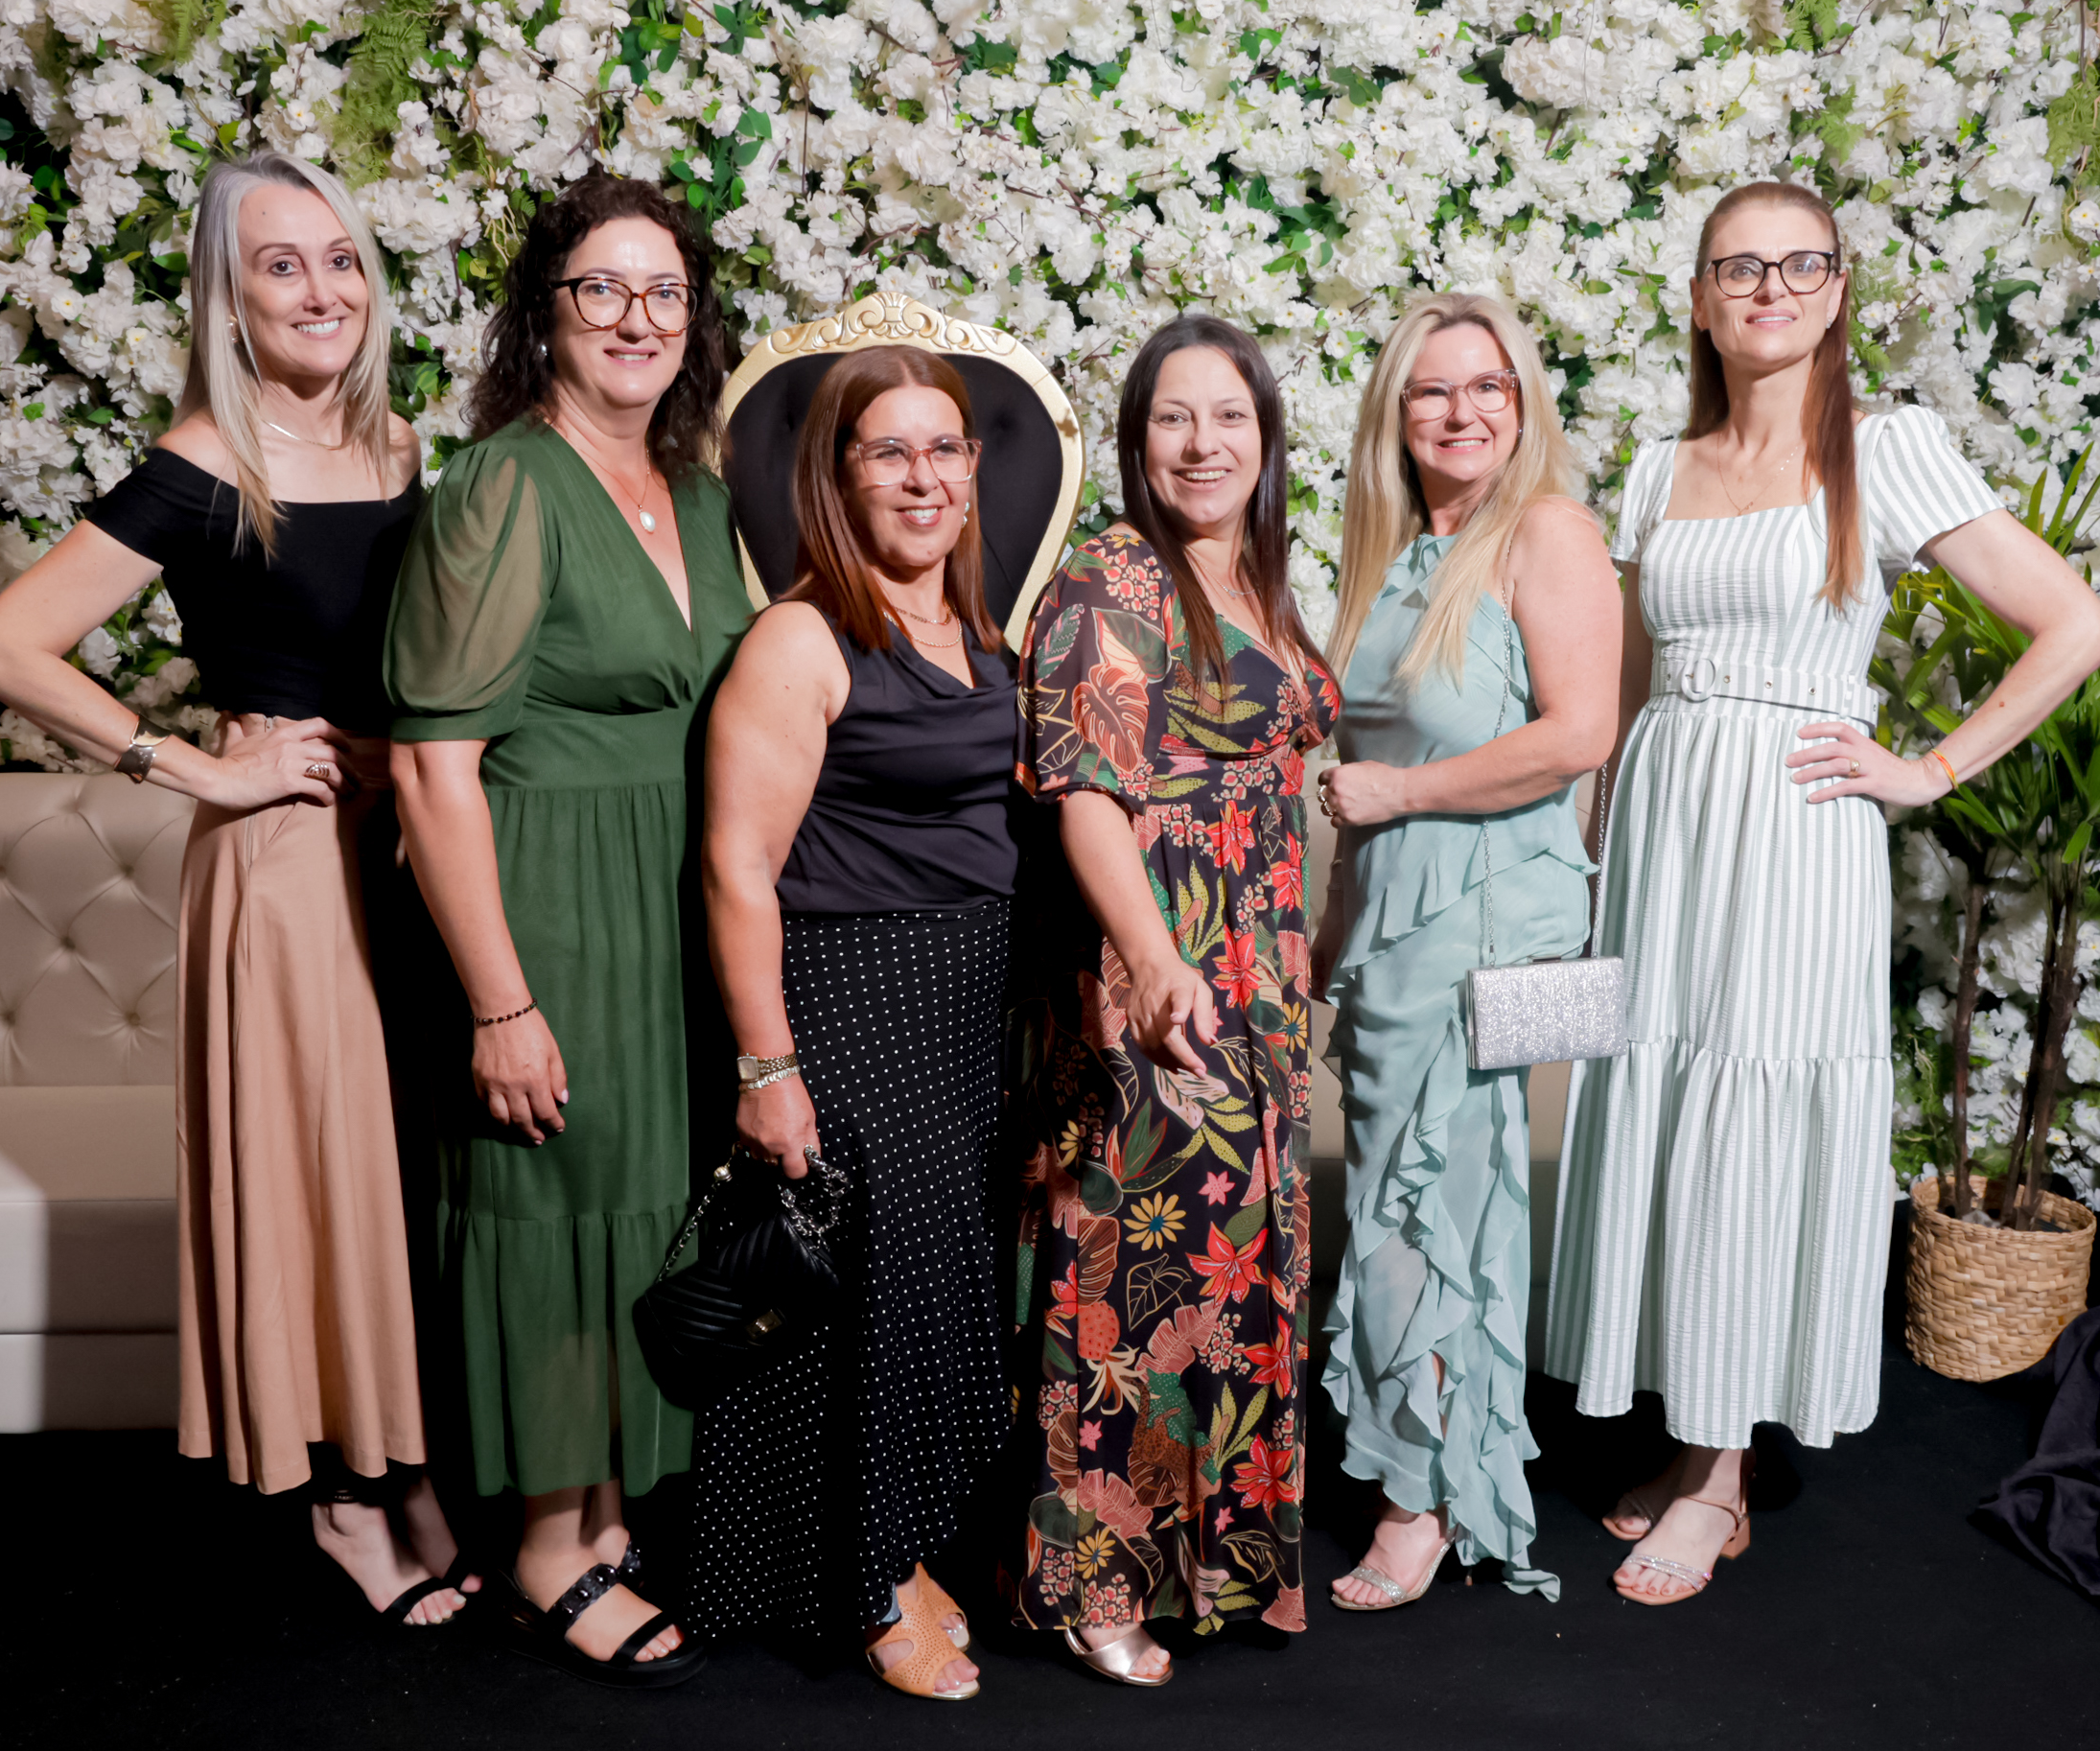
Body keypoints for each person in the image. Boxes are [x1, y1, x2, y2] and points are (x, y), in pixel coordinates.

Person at [1543, 179, 2100, 1604]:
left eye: (1802, 265)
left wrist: (1928, 768)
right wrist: (1591, 849)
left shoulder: (1885, 447)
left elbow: (2074, 623)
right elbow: (1630, 685)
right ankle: (1690, 1431)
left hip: (1795, 836)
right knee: (1669, 1103)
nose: (1771, 289)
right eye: (1739, 267)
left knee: (1752, 1109)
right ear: (1700, 299)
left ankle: (1719, 1473)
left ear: (1839, 290)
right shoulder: (1659, 468)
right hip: (1666, 830)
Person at [0, 152, 469, 1625]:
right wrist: (194, 768)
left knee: (403, 1166)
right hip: (287, 854)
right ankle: (346, 1495)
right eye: (281, 265)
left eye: (341, 258)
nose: (322, 288)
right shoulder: (202, 460)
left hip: (404, 843)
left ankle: (410, 1457)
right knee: (322, 1171)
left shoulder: (399, 445)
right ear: (228, 303)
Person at [385, 173, 752, 1685]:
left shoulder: (704, 495)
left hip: (676, 900)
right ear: (546, 315)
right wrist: (499, 999)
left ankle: (606, 1511)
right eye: (602, 287)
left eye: (664, 291)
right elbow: (432, 767)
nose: (635, 318)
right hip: (550, 896)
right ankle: (546, 1542)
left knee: (641, 1206)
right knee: (552, 1204)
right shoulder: (504, 486)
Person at [1010, 315, 1341, 1681]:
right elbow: (1087, 795)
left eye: (1229, 418)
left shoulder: (1256, 574)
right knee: (1136, 1282)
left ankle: (1219, 1561)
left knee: (1240, 1266)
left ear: (1266, 437)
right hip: (1163, 969)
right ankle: (1098, 1586)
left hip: (1262, 973)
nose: (1203, 445)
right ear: (1135, 439)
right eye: (1173, 418)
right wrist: (1152, 960)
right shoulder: (1112, 578)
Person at [694, 344, 1017, 1703]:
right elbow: (736, 868)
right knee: (873, 1298)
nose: (922, 477)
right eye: (890, 452)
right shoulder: (802, 637)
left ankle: (904, 1541)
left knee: (936, 1281)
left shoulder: (978, 626)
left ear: (974, 468)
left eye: (944, 449)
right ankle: (866, 1583)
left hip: (965, 1000)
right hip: (853, 991)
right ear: (838, 476)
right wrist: (768, 1066)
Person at [1311, 292, 1620, 1611]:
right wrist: (1326, 940)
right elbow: (1363, 781)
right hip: (1393, 920)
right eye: (1433, 389)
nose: (1462, 411)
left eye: (1488, 385)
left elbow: (1581, 733)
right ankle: (1439, 1462)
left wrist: (1399, 797)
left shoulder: (1546, 530)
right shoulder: (1389, 556)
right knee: (1418, 1197)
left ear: (1522, 400)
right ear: (1396, 412)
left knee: (1428, 1202)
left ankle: (1422, 1496)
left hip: (1489, 920)